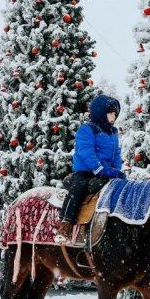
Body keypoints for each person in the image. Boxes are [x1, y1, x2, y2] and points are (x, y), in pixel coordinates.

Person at [55, 94, 125, 244]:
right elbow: (86, 151)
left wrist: (116, 170)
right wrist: (98, 169)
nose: (113, 117)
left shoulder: (113, 133)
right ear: (100, 112)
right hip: (86, 170)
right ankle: (65, 224)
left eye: (115, 114)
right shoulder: (87, 130)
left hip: (106, 172)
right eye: (110, 113)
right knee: (79, 188)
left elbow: (116, 153)